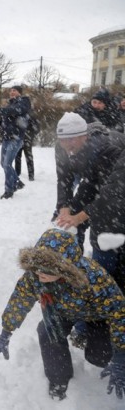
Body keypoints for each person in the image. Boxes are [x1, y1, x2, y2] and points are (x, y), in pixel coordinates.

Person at [0, 228, 125, 401]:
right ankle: (59, 379)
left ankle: (97, 345)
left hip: (97, 315)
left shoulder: (93, 277)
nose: (39, 273)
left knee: (98, 357)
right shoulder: (35, 275)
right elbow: (19, 299)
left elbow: (120, 311)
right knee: (46, 332)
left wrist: (121, 355)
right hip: (61, 312)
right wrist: (5, 333)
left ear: (64, 269)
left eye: (47, 270)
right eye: (37, 268)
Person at [53, 112, 125, 292]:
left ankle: (102, 279)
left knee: (104, 227)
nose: (67, 145)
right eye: (63, 140)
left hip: (118, 186)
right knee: (67, 222)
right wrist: (64, 207)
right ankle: (71, 268)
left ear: (84, 136)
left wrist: (81, 216)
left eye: (72, 140)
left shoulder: (107, 149)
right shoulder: (61, 146)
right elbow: (64, 179)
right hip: (95, 179)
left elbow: (113, 193)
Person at [0, 85, 31, 199]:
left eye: (14, 90)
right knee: (3, 163)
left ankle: (9, 190)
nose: (12, 92)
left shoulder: (24, 101)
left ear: (19, 93)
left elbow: (15, 111)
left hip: (16, 137)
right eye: (11, 90)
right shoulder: (10, 104)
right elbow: (4, 121)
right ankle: (17, 182)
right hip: (7, 137)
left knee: (7, 164)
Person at [14, 114, 39, 181]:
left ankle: (29, 175)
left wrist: (30, 136)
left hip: (24, 139)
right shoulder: (19, 115)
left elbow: (37, 128)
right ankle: (18, 174)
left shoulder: (29, 116)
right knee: (20, 157)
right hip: (21, 139)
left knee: (26, 157)